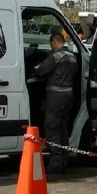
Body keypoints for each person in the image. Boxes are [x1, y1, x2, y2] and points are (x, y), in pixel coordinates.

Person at [33, 33, 78, 173]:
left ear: (54, 41)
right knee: (63, 128)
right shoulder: (73, 57)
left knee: (52, 128)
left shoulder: (56, 56)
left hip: (56, 96)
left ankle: (56, 163)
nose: (51, 47)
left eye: (51, 44)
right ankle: (64, 159)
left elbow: (41, 71)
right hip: (68, 95)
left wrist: (35, 67)